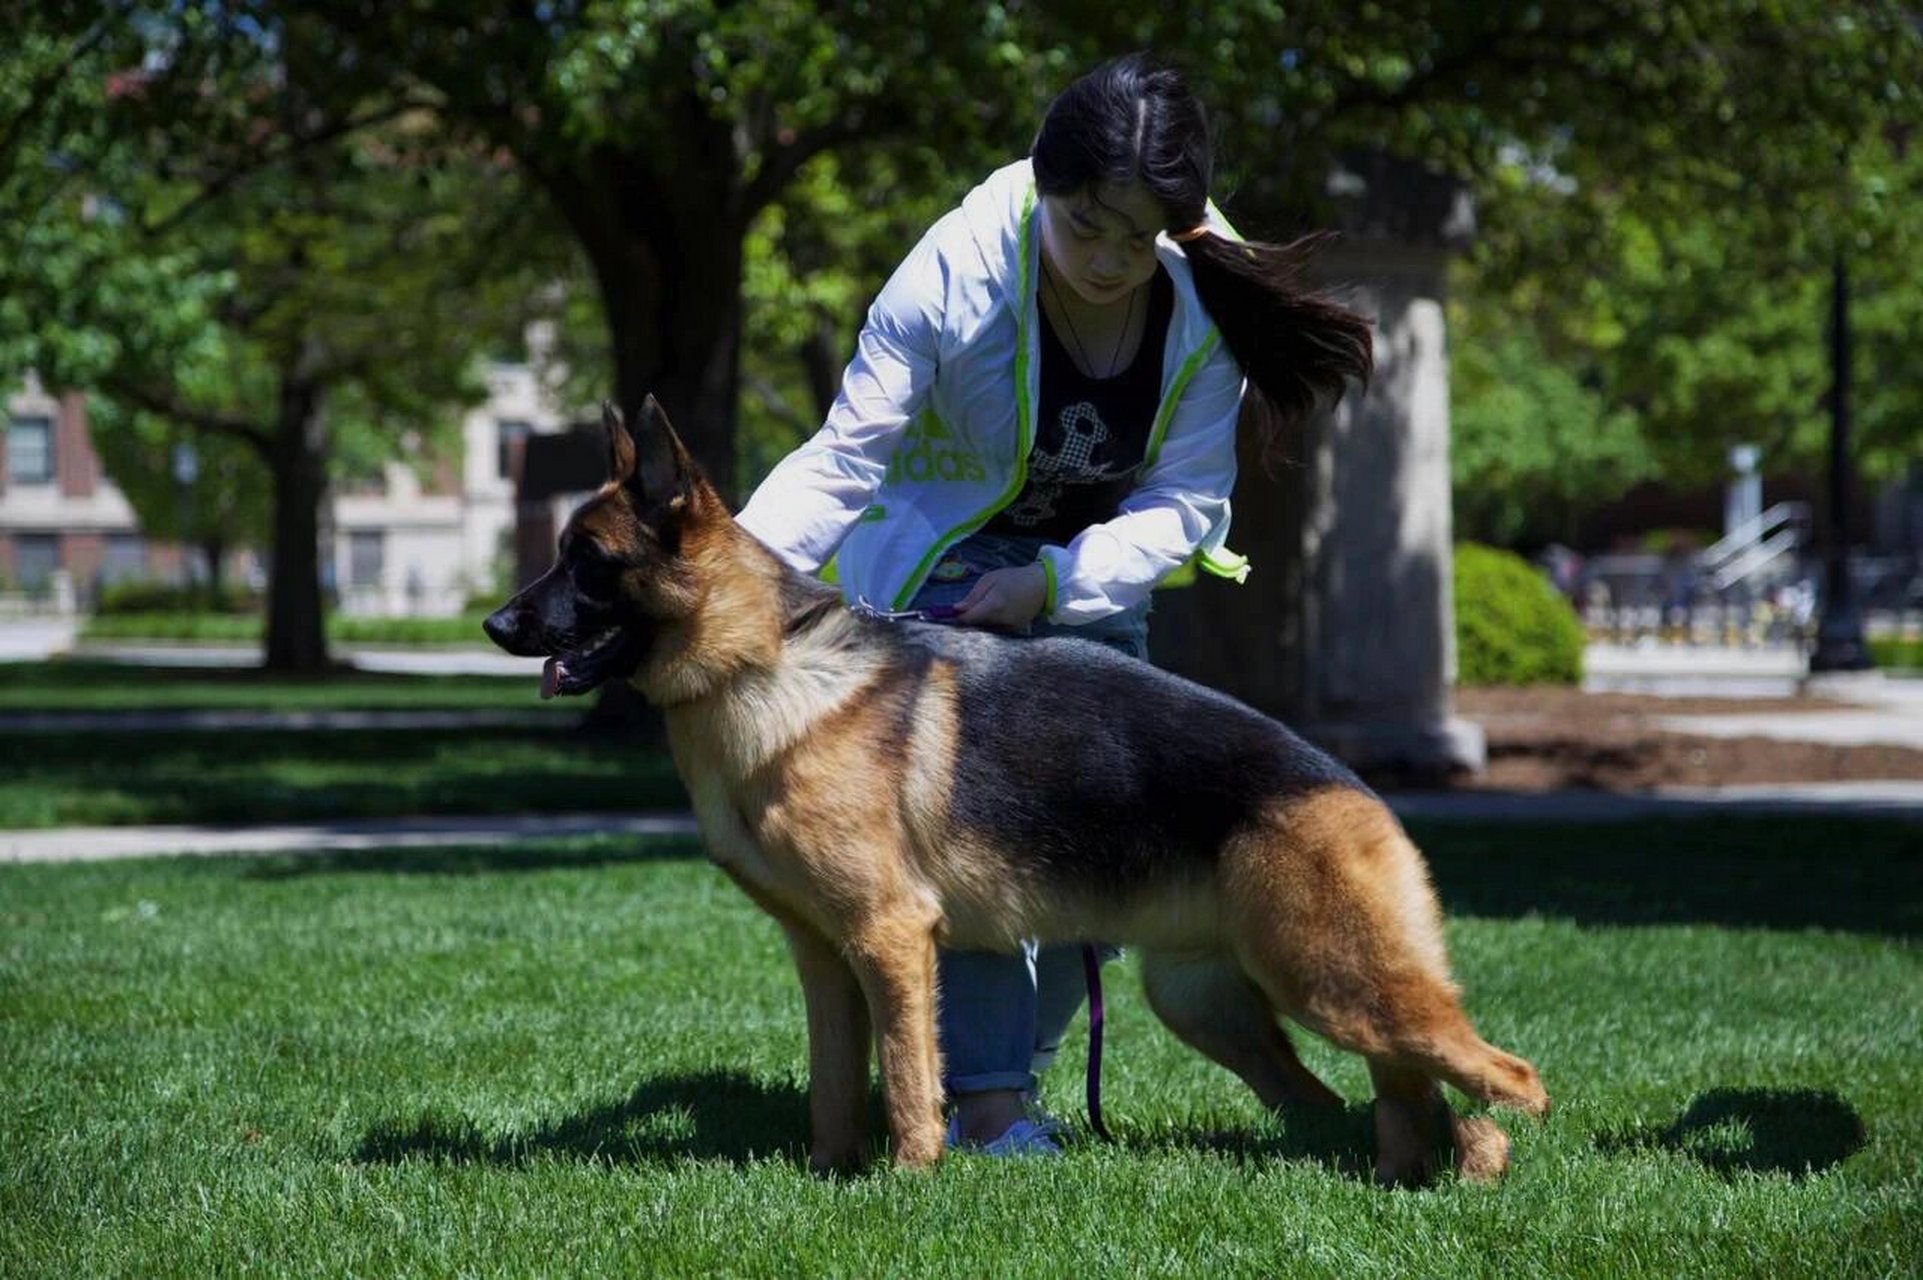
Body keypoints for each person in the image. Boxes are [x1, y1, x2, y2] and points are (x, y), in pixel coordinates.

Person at [736, 53, 1373, 1155]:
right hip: (940, 569)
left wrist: (1056, 583)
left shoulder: (1199, 291)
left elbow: (1185, 502)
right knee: (959, 831)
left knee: (1103, 850)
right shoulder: (953, 269)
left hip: (1086, 571)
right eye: (1087, 225)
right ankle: (984, 1108)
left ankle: (991, 1072)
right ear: (1043, 185)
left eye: (1140, 237)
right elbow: (847, 458)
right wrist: (738, 588)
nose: (1112, 260)